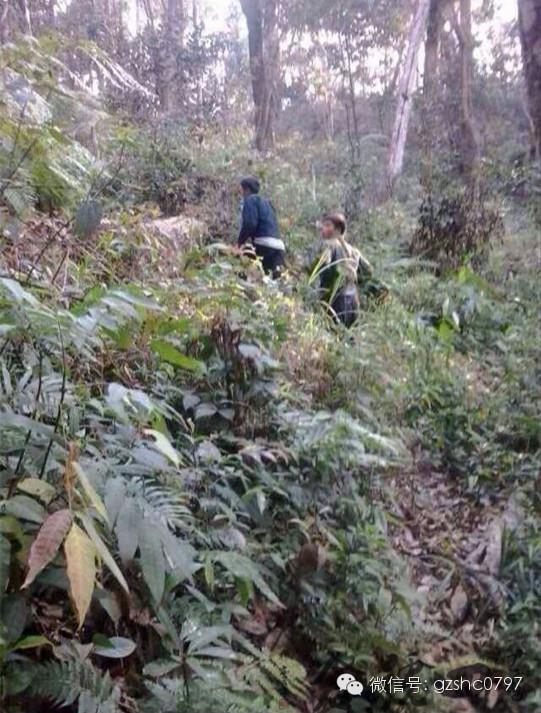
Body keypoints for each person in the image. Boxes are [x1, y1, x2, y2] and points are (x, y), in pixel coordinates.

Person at [311, 212, 375, 328]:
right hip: (354, 301)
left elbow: (321, 268)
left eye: (327, 225)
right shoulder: (354, 251)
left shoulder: (330, 245)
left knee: (334, 333)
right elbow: (368, 271)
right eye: (323, 225)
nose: (323, 228)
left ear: (338, 230)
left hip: (336, 301)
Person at [237, 176, 285, 278]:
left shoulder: (250, 200)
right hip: (279, 246)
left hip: (264, 246)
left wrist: (240, 242)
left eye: (241, 190)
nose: (241, 193)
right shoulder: (267, 202)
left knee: (250, 273)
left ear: (247, 190)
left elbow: (249, 224)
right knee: (271, 280)